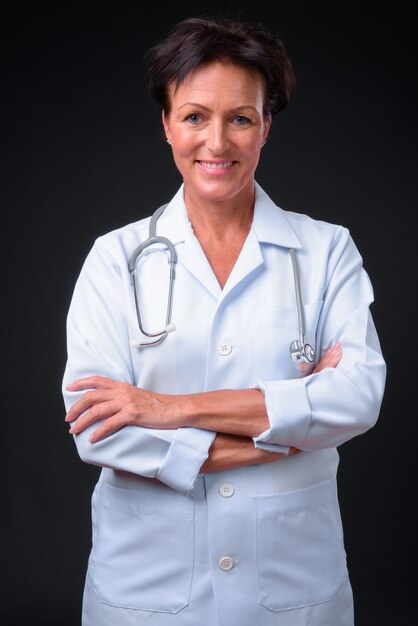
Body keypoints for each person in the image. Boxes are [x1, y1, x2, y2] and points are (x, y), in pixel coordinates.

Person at [62, 15, 386, 626]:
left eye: (240, 118)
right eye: (194, 117)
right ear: (166, 125)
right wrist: (286, 433)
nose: (217, 142)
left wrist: (164, 408)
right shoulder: (115, 259)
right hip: (147, 590)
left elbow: (358, 398)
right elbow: (96, 429)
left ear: (266, 127)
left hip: (293, 591)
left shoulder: (326, 251)